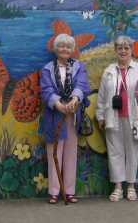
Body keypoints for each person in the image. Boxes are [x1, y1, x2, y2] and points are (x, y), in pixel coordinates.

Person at [96, 35, 138, 202]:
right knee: (115, 152)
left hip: (134, 118)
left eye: (126, 48)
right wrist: (100, 115)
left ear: (131, 50)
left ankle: (131, 186)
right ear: (115, 51)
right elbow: (102, 96)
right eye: (119, 48)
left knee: (131, 153)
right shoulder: (109, 71)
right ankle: (117, 187)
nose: (123, 51)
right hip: (113, 117)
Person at [40, 33, 91, 204]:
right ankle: (54, 191)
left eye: (68, 47)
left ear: (72, 50)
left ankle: (69, 191)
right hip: (55, 113)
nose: (65, 49)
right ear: (56, 49)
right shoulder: (47, 69)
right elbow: (46, 91)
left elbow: (82, 85)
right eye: (62, 46)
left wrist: (75, 100)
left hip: (73, 113)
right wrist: (60, 106)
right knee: (54, 151)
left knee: (70, 152)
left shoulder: (79, 66)